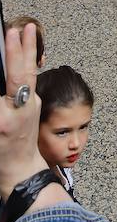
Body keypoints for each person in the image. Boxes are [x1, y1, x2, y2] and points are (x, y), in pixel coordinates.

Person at [35, 66, 93, 196]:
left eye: (83, 127)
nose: (76, 144)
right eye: (62, 132)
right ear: (33, 127)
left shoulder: (54, 159)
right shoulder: (39, 197)